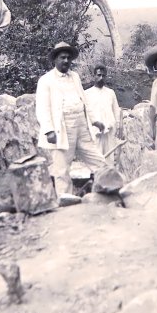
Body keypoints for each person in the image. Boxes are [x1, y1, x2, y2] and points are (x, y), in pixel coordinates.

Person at [36, 42, 108, 197]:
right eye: (62, 57)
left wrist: (94, 120)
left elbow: (84, 100)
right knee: (61, 167)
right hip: (62, 126)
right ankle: (65, 200)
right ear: (55, 59)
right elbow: (43, 108)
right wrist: (49, 130)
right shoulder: (46, 80)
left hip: (81, 123)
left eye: (69, 58)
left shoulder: (74, 76)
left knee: (97, 159)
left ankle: (107, 189)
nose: (66, 61)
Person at [85, 65, 122, 165]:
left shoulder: (110, 93)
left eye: (103, 76)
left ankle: (109, 179)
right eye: (99, 75)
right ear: (94, 76)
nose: (101, 78)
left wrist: (117, 126)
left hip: (109, 130)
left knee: (110, 158)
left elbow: (116, 110)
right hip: (95, 132)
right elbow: (86, 113)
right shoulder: (87, 93)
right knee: (96, 158)